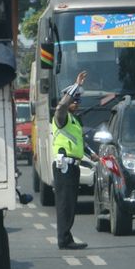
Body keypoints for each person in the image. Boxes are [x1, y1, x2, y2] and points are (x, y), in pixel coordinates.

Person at [53, 70, 90, 250]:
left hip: (73, 166)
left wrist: (93, 156)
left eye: (78, 100)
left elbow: (78, 142)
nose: (77, 102)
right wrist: (76, 86)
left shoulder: (74, 120)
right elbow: (61, 107)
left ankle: (67, 237)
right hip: (64, 166)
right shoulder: (62, 117)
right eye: (74, 100)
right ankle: (64, 239)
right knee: (65, 204)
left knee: (70, 204)